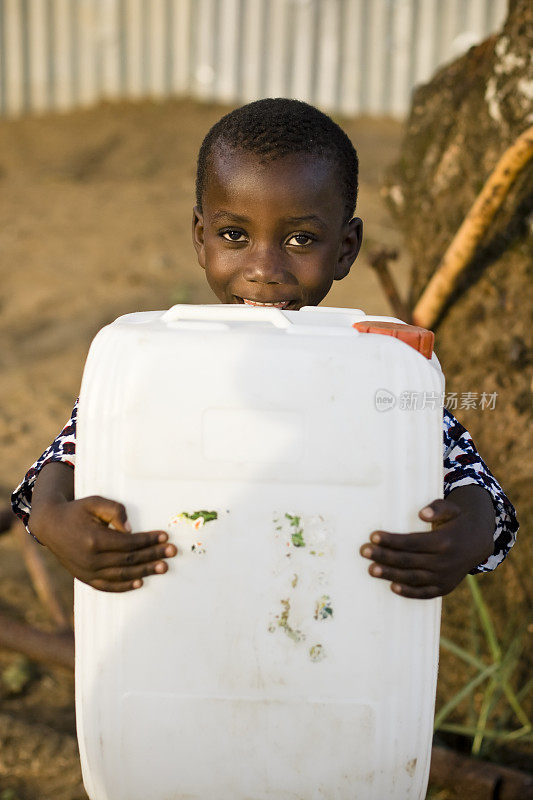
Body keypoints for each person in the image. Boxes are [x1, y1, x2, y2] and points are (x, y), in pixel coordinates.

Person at [11, 98, 518, 598]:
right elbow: (68, 456)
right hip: (183, 623)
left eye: (300, 239)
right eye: (234, 234)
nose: (263, 269)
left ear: (345, 249)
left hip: (323, 622)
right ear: (200, 235)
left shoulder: (374, 369)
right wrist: (53, 515)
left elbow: (475, 485)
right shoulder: (158, 362)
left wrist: (470, 529)